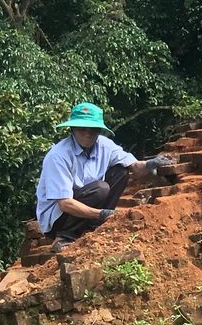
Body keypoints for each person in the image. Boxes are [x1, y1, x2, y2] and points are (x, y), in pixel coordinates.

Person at [35, 102, 173, 253]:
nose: (88, 134)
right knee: (100, 189)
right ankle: (65, 237)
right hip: (57, 219)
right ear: (72, 129)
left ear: (99, 130)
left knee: (121, 170)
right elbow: (65, 203)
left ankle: (94, 227)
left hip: (87, 206)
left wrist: (151, 164)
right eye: (82, 128)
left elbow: (134, 166)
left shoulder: (104, 145)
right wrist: (102, 214)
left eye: (93, 130)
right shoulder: (58, 156)